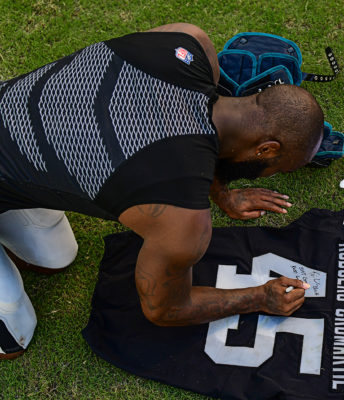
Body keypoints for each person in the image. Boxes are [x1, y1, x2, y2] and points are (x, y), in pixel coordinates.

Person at [0, 23, 324, 359]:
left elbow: (186, 127)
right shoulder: (183, 223)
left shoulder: (190, 41)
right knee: (14, 330)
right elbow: (165, 310)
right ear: (266, 149)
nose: (268, 175)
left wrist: (222, 193)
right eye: (277, 168)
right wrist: (259, 298)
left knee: (55, 259)